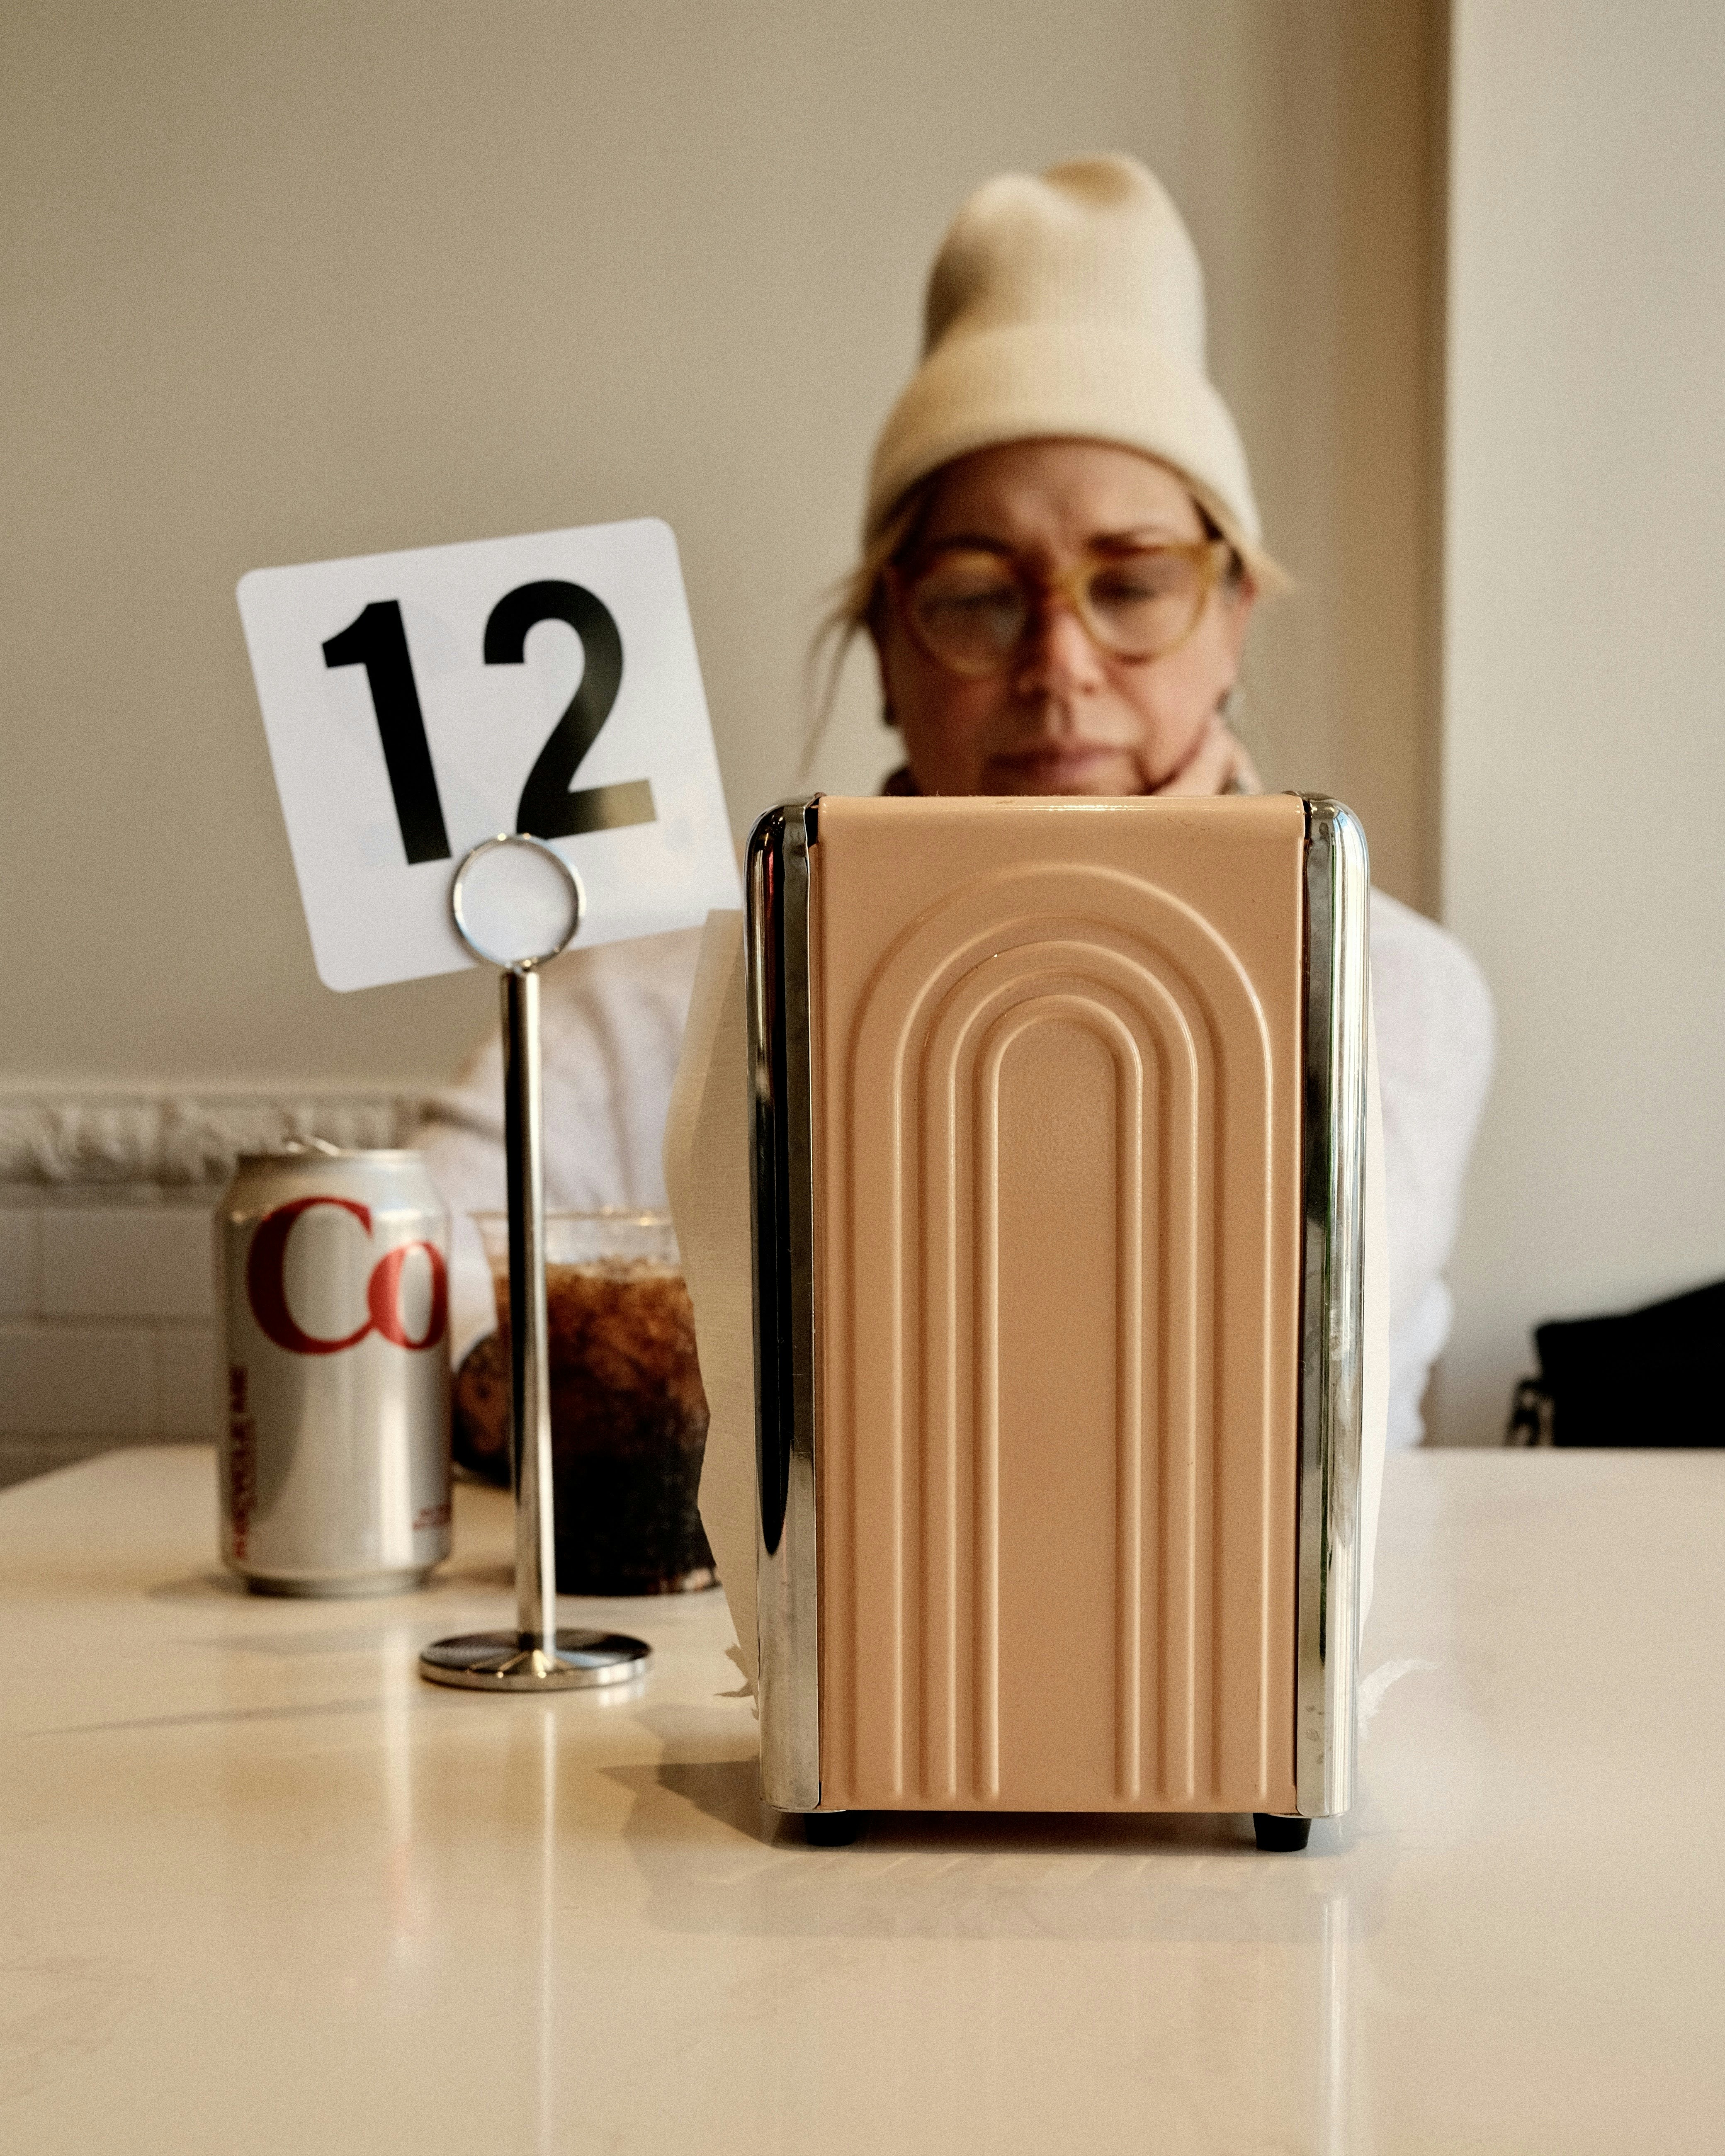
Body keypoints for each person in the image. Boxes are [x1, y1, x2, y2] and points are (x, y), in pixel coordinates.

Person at [418, 153, 1492, 1449]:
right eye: (980, 595)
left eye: (1137, 583)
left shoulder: (1404, 994)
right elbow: (414, 1309)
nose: (1058, 666)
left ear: (1233, 621)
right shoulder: (640, 1007)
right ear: (886, 642)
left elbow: (1334, 1436)